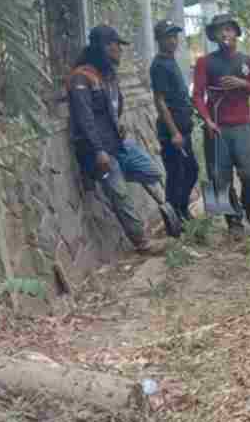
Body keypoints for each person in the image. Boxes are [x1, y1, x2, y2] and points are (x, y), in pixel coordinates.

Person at [67, 24, 182, 255]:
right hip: (98, 151)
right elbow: (84, 118)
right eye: (117, 45)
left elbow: (114, 106)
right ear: (104, 47)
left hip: (118, 145)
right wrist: (98, 151)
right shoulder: (81, 78)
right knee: (119, 194)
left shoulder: (109, 75)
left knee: (152, 172)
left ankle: (117, 175)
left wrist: (117, 125)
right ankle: (142, 243)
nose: (120, 50)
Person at [192, 13, 250, 237]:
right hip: (216, 129)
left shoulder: (249, 62)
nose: (225, 33)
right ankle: (233, 222)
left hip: (243, 127)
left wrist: (243, 83)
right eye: (219, 30)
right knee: (219, 178)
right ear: (214, 36)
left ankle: (247, 207)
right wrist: (207, 120)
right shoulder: (204, 62)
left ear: (236, 32)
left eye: (228, 29)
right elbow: (197, 95)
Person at [150, 19, 198, 221]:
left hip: (182, 128)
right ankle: (173, 219)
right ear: (159, 39)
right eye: (168, 37)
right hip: (173, 131)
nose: (173, 41)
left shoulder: (171, 60)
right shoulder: (159, 65)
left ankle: (181, 210)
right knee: (176, 174)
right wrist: (174, 132)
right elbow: (159, 101)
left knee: (190, 170)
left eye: (174, 36)